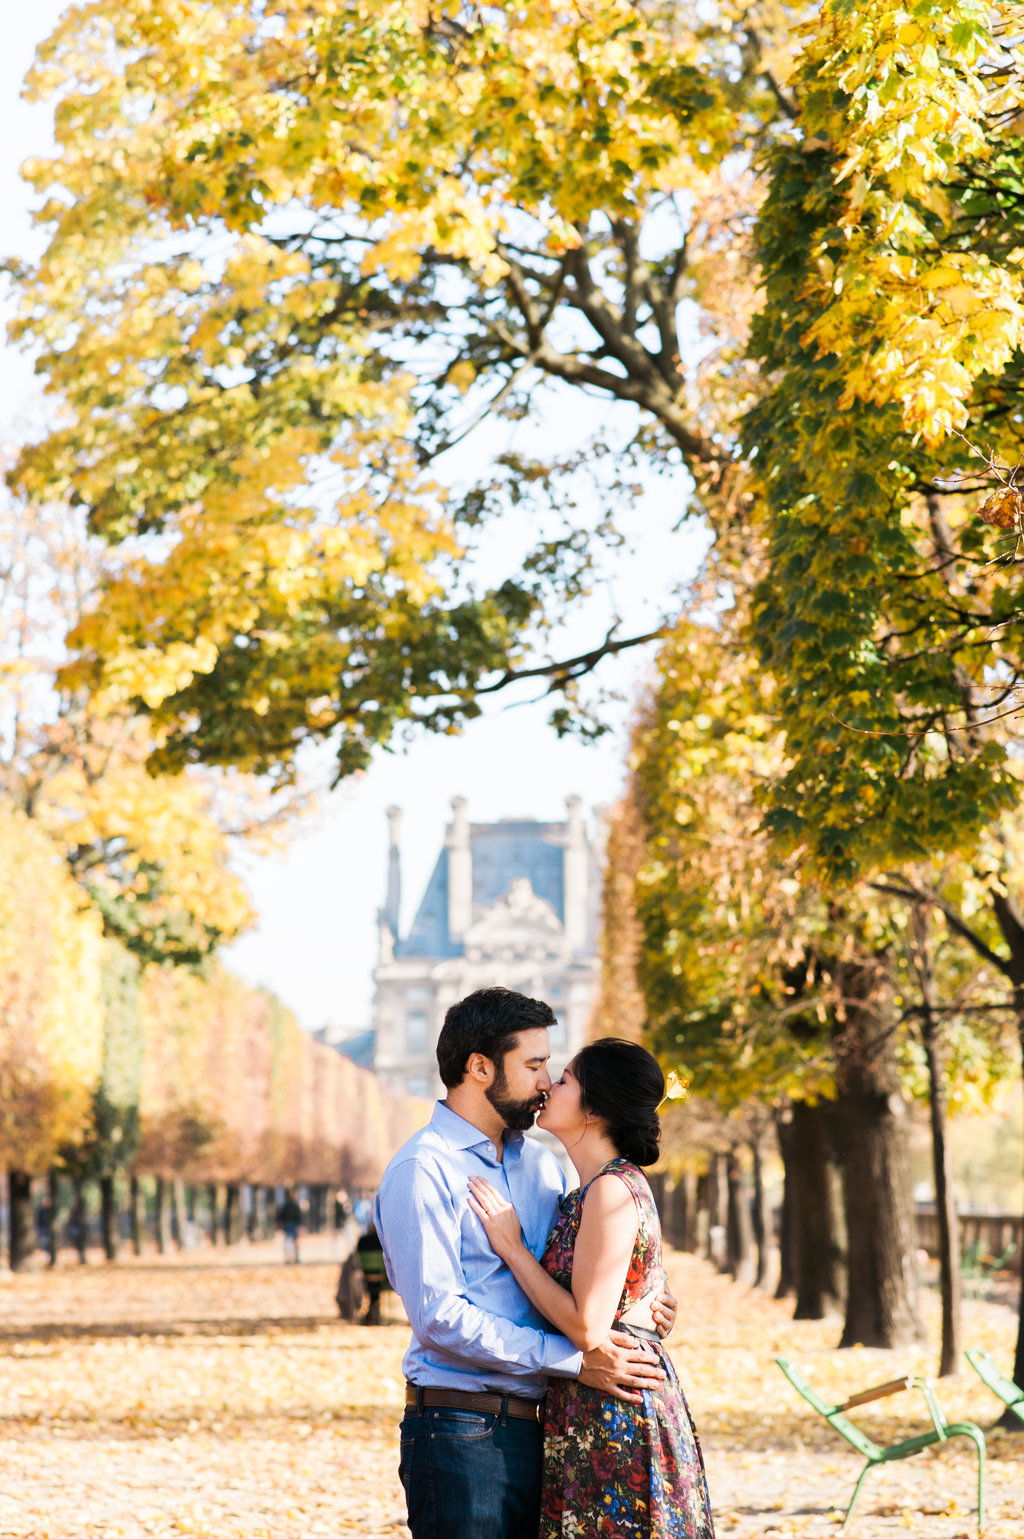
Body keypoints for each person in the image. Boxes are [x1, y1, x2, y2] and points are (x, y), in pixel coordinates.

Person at [375, 987, 676, 1539]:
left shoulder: (544, 1168)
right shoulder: (422, 1171)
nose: (545, 1080)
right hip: (461, 1429)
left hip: (551, 1429)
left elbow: (577, 1274)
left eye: (551, 1068)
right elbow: (440, 1317)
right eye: (534, 1064)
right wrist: (571, 1360)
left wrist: (637, 1301)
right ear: (480, 1068)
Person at [468, 1037, 715, 1539]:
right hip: (593, 1399)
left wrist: (512, 1249)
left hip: (614, 1408)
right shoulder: (592, 1188)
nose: (547, 1088)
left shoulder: (609, 1189)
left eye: (563, 1081)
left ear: (595, 1108)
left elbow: (587, 1326)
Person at [276, 1187, 303, 1264]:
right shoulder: (288, 1205)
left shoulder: (294, 1204)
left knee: (294, 1242)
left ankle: (296, 1257)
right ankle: (288, 1258)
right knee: (288, 1242)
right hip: (288, 1224)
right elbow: (282, 1216)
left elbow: (298, 1216)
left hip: (293, 1224)